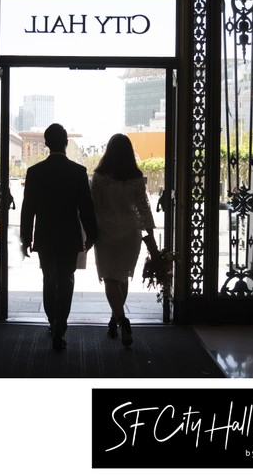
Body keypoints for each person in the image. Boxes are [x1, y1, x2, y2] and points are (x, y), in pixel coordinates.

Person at [20, 123, 98, 350]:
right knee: (66, 280)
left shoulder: (34, 173)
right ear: (66, 143)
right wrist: (92, 234)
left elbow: (28, 209)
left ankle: (52, 320)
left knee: (48, 278)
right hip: (69, 236)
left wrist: (26, 238)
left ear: (45, 143)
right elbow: (86, 207)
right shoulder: (78, 172)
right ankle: (60, 326)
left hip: (44, 236)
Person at [90, 133, 158, 347]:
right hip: (130, 233)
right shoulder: (135, 177)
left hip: (106, 232)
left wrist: (89, 234)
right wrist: (151, 235)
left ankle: (122, 320)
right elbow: (143, 208)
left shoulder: (99, 177)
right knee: (122, 278)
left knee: (110, 279)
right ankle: (115, 319)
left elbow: (92, 206)